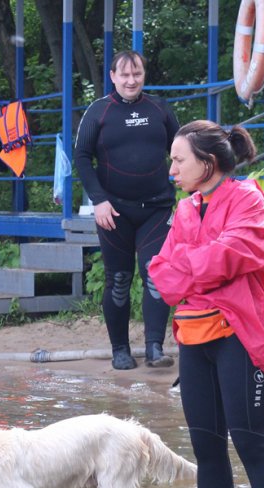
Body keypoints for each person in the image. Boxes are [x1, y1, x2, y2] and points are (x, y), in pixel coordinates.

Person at [148, 121, 264, 488]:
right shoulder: (185, 208)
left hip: (239, 335)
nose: (172, 170)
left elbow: (237, 252)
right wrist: (204, 265)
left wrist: (189, 265)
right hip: (194, 337)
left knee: (251, 443)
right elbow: (160, 274)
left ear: (207, 162)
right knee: (205, 447)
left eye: (179, 161)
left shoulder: (248, 199)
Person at [74, 50, 179, 370]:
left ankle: (155, 348)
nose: (131, 81)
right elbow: (82, 157)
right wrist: (98, 200)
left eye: (137, 74)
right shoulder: (99, 111)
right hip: (114, 211)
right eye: (125, 75)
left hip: (156, 209)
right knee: (119, 278)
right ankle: (120, 349)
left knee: (156, 274)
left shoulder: (159, 109)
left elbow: (182, 150)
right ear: (113, 76)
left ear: (144, 75)